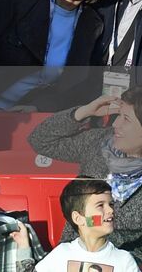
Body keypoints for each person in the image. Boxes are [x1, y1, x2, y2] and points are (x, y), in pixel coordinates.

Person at [29, 93, 142, 255]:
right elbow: (40, 140)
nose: (116, 123)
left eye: (127, 119)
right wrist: (84, 112)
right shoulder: (100, 142)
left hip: (125, 260)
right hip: (72, 255)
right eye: (119, 115)